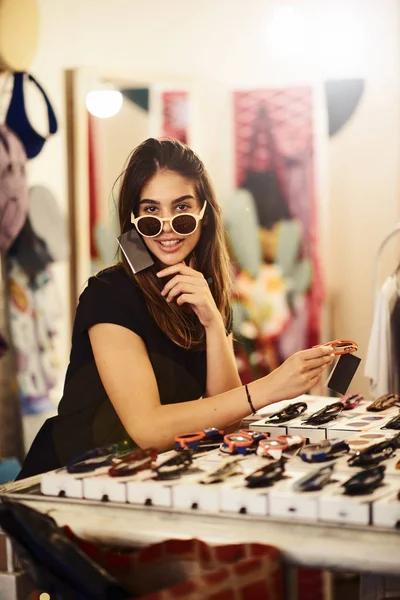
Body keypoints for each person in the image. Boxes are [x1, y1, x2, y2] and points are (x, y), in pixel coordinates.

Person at [17, 138, 333, 479]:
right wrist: (270, 387)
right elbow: (148, 427)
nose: (166, 226)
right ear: (134, 219)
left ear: (205, 215)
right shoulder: (108, 294)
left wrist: (213, 321)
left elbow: (227, 417)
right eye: (151, 211)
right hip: (66, 479)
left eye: (181, 208)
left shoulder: (204, 292)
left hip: (139, 479)